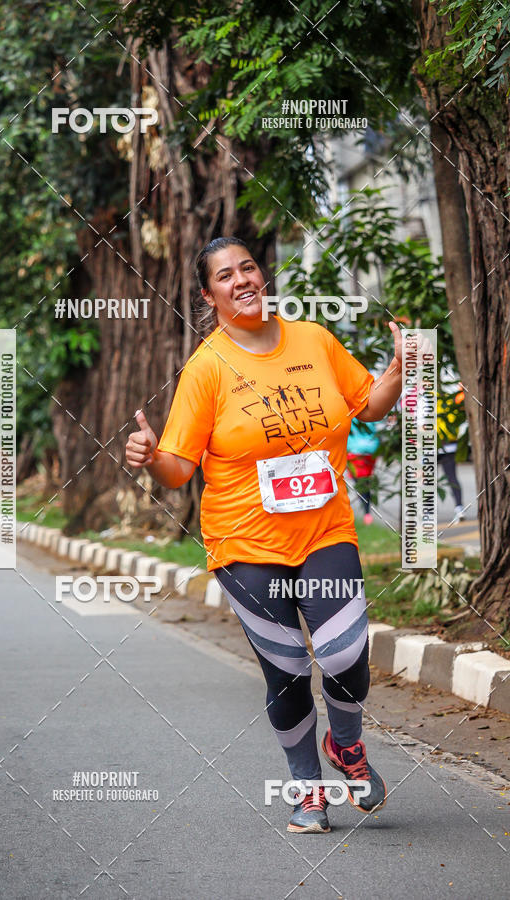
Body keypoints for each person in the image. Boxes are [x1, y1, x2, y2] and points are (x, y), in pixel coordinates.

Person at [125, 237, 404, 834]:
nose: (242, 280)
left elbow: (369, 406)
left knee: (345, 652)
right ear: (208, 295)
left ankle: (346, 747)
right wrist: (150, 458)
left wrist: (399, 371)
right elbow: (179, 468)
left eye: (248, 267)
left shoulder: (313, 339)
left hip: (325, 529)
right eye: (225, 276)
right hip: (244, 544)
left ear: (262, 274)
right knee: (286, 673)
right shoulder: (207, 367)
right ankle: (306, 790)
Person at [437, 389, 466, 523]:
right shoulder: (449, 400)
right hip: (449, 444)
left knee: (426, 480)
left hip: (432, 446)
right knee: (452, 477)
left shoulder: (424, 398)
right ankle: (459, 508)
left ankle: (426, 513)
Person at [346, 418, 380, 525]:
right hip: (372, 448)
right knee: (365, 482)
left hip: (355, 451)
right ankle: (367, 511)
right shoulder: (369, 405)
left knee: (361, 484)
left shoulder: (349, 411)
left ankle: (367, 513)